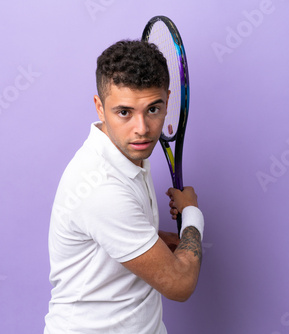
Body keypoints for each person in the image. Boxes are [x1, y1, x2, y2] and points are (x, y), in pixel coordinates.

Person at [44, 40, 204, 333]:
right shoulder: (100, 186)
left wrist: (157, 240)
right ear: (99, 108)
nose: (142, 128)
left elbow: (113, 235)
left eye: (153, 109)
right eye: (124, 112)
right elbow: (180, 285)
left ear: (167, 101)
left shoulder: (126, 151)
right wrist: (192, 215)